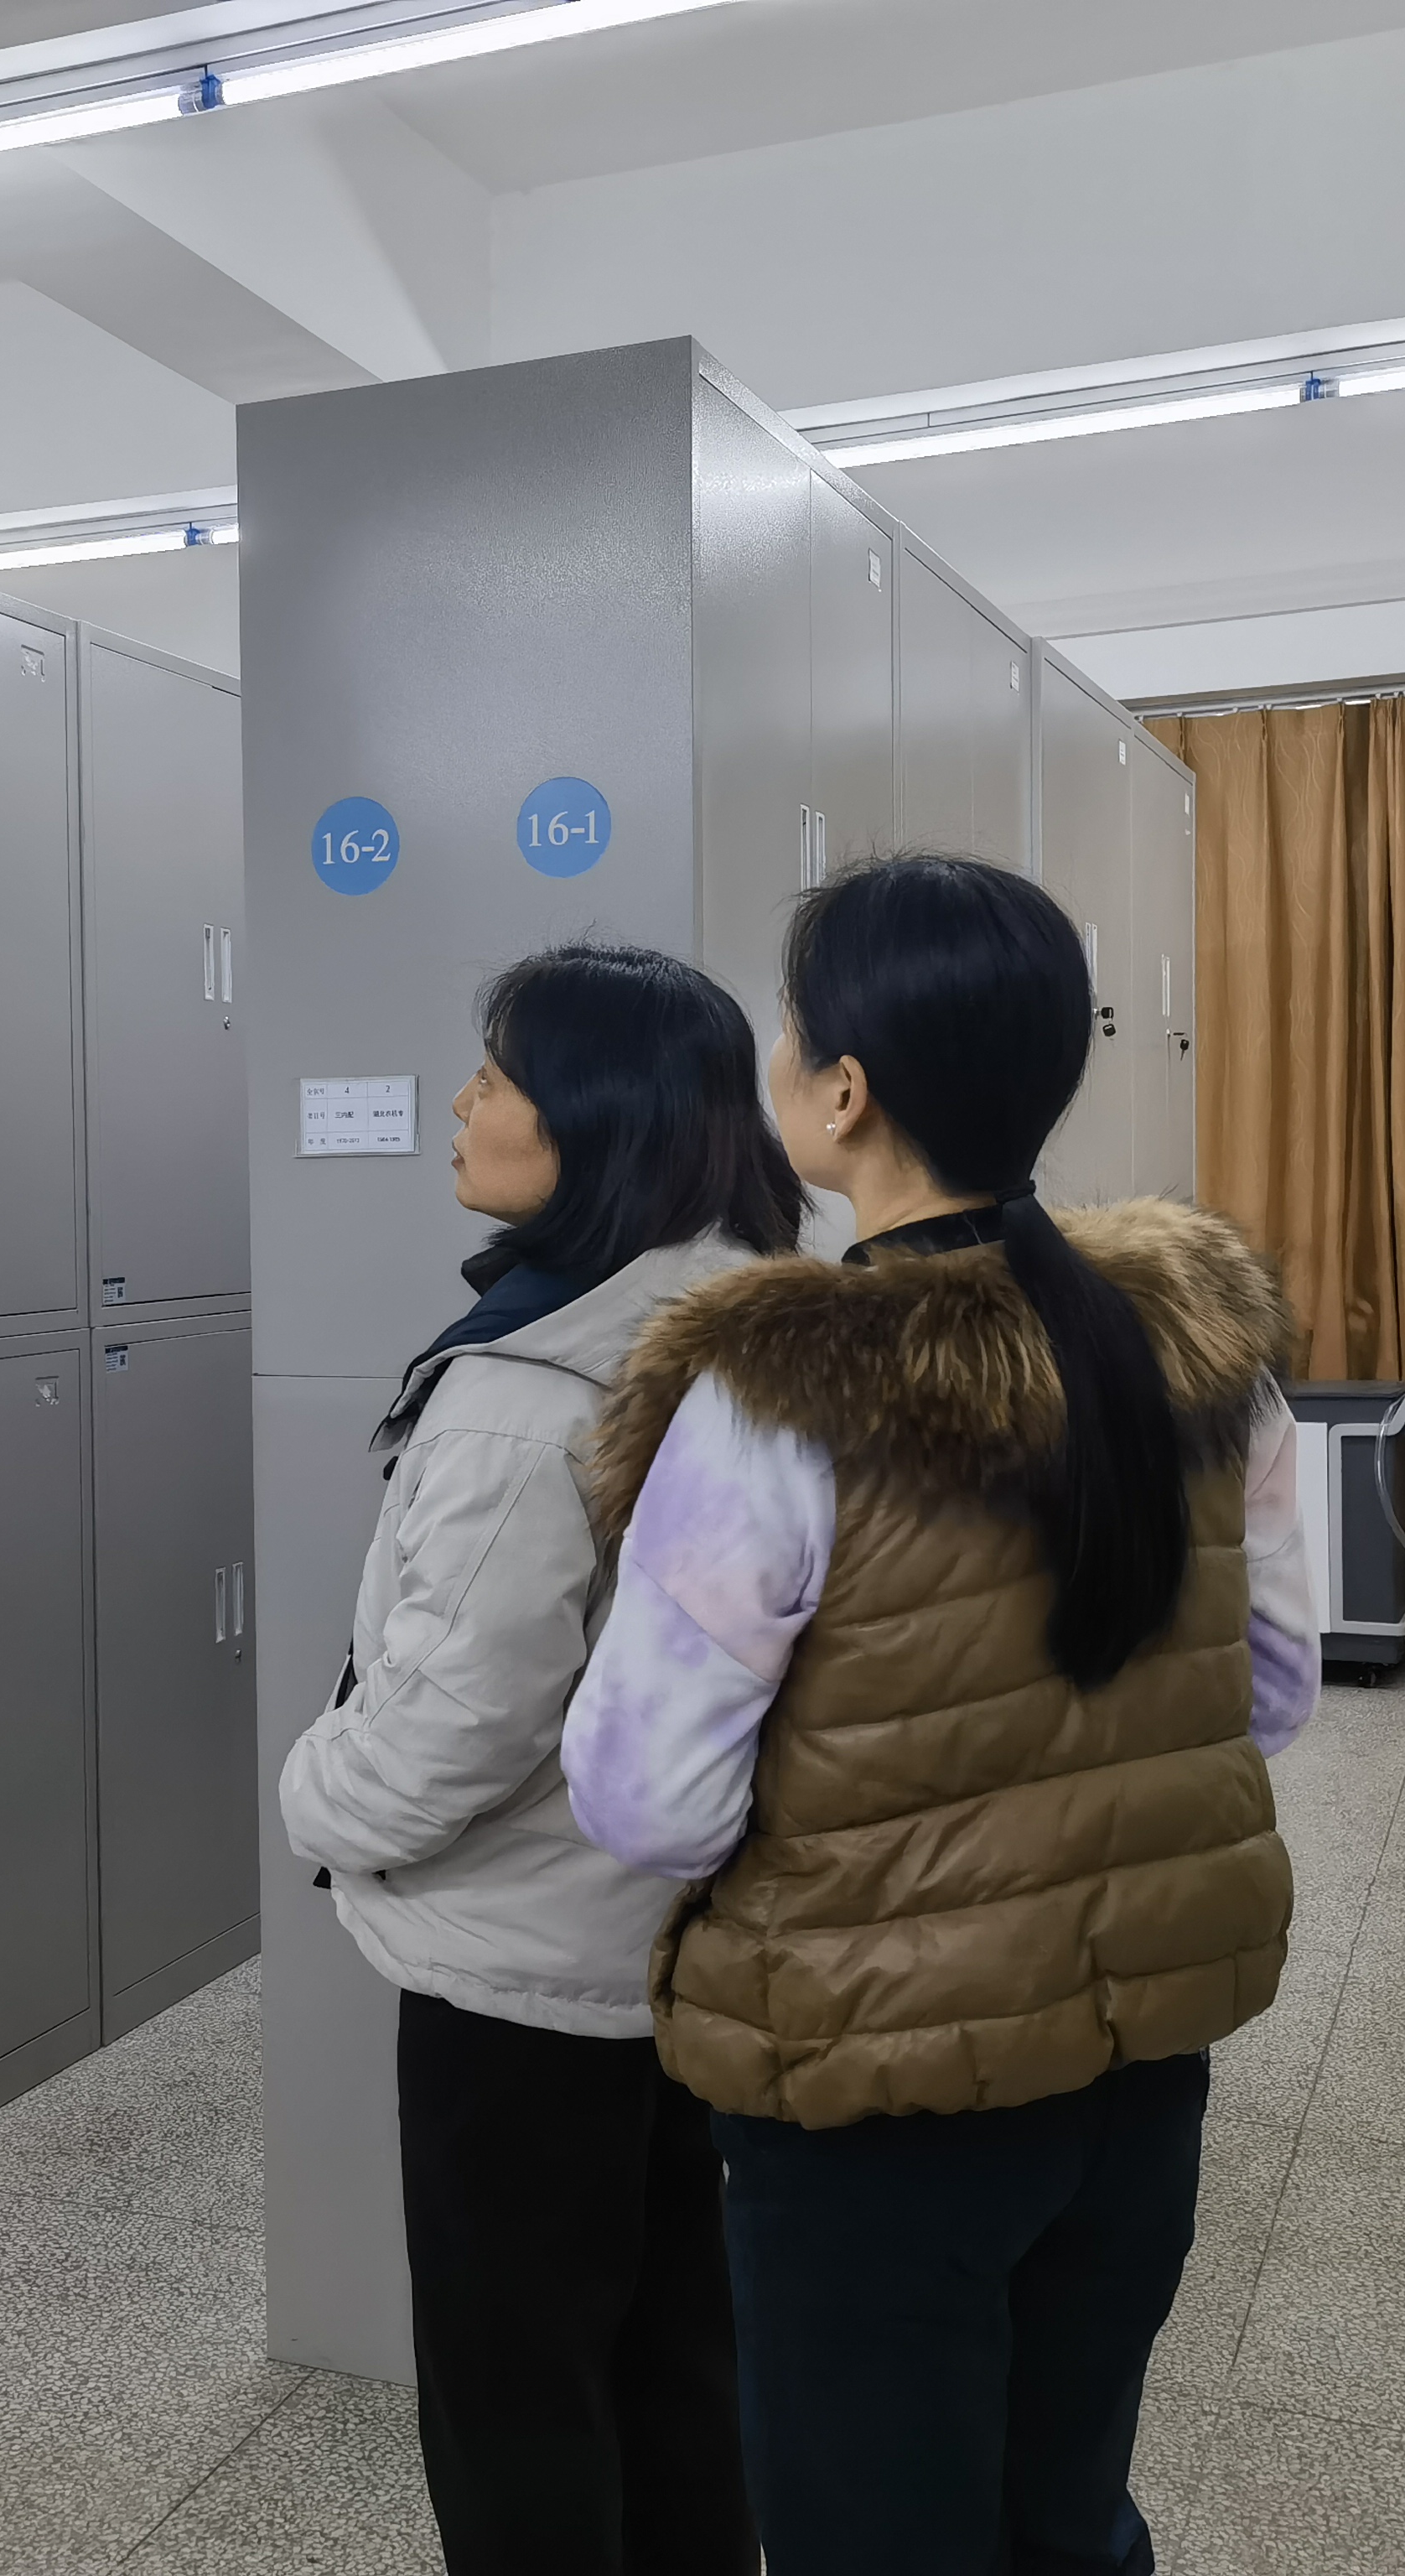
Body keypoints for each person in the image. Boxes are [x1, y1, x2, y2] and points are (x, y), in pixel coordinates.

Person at [562, 853, 1319, 2576]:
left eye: (788, 1032)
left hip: (872, 2098)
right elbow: (1267, 1695)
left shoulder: (774, 1394)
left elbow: (649, 1800)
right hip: (1136, 2067)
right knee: (1065, 2513)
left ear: (839, 1094)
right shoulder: (1204, 1347)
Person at [277, 943, 803, 2576]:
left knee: (516, 2394)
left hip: (527, 1974)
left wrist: (312, 1797)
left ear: (597, 1116)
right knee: (674, 2355)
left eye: (496, 1076)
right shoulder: (758, 1317)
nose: (460, 1103)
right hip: (690, 1943)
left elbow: (453, 1722)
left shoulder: (532, 1392)